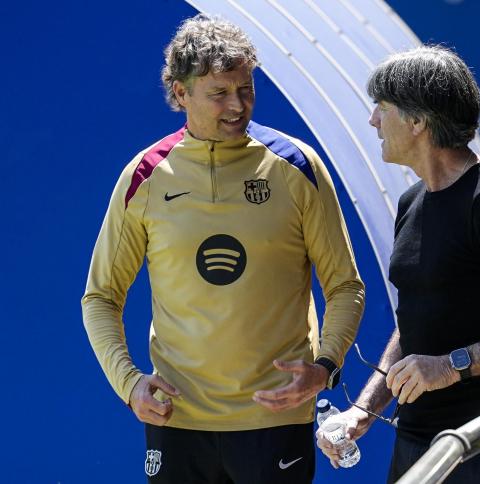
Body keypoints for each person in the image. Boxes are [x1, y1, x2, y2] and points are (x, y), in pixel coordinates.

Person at [81, 14, 365, 483]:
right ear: (180, 93)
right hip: (179, 420)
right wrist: (129, 384)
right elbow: (100, 297)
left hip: (275, 419)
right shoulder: (145, 177)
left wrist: (325, 367)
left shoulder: (296, 166)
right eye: (219, 94)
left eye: (246, 89)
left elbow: (345, 286)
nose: (238, 105)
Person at [317, 45, 480, 483]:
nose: (372, 121)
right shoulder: (412, 201)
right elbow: (418, 322)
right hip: (417, 440)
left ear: (418, 121)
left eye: (383, 108)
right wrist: (364, 410)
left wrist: (452, 365)